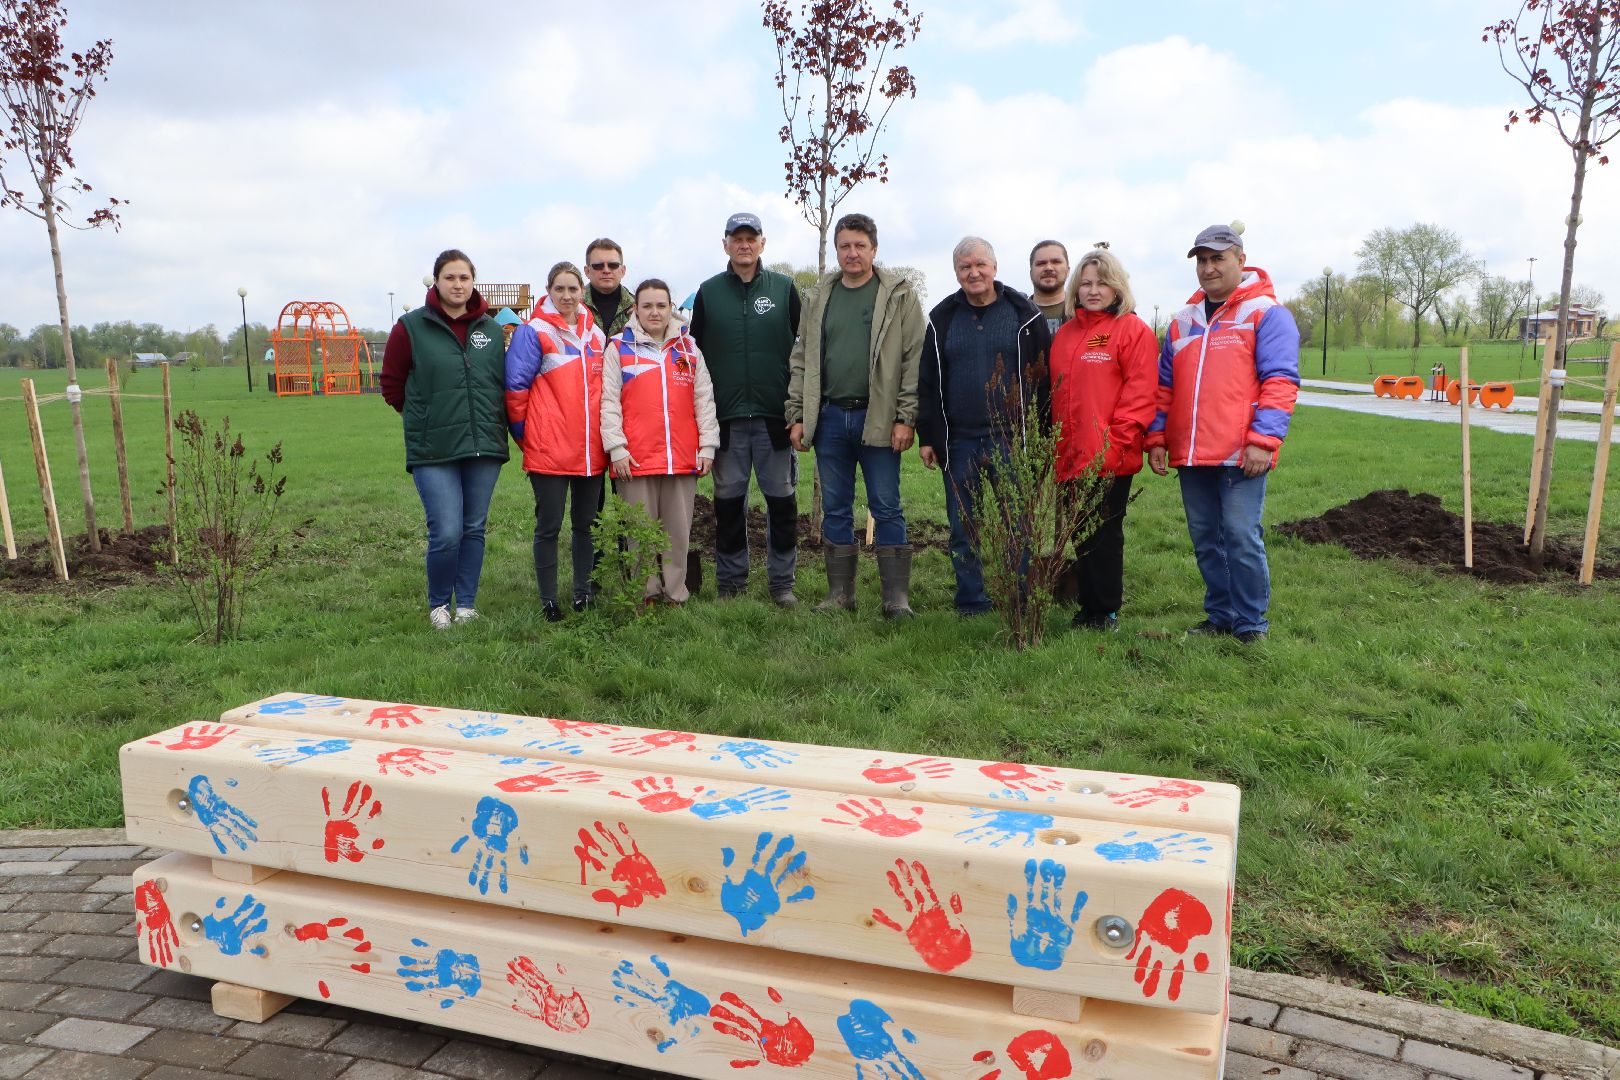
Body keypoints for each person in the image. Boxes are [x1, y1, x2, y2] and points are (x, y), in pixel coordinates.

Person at [1146, 224, 1300, 644]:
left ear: (1240, 260)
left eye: (1218, 258)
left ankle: (1251, 624)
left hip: (1241, 453)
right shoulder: (1181, 324)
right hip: (1192, 454)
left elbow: (1280, 382)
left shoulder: (1266, 314)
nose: (1208, 268)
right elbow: (1164, 389)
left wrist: (1262, 441)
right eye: (1202, 260)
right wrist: (1157, 438)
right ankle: (1220, 616)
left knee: (1240, 536)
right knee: (1206, 540)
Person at [787, 212, 925, 618]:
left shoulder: (899, 295)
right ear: (836, 251)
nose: (852, 253)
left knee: (886, 505)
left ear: (874, 250)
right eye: (844, 246)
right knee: (835, 506)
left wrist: (907, 416)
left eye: (859, 245)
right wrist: (797, 413)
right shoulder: (818, 298)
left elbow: (913, 358)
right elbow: (802, 358)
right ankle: (839, 595)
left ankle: (895, 598)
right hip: (830, 417)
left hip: (879, 418)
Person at [916, 237, 1050, 616]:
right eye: (964, 267)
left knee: (1017, 523)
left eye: (980, 265)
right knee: (963, 526)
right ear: (956, 272)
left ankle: (1020, 596)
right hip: (959, 440)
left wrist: (1039, 437)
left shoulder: (1024, 315)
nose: (973, 273)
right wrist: (929, 436)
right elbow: (927, 382)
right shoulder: (941, 318)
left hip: (1010, 438)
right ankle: (971, 599)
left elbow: (1043, 379)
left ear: (994, 267)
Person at [380, 249, 508, 629]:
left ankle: (466, 604)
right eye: (450, 277)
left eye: (464, 278)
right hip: (433, 448)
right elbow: (391, 384)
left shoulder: (492, 330)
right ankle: (439, 604)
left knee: (473, 528)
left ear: (473, 282)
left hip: (483, 444)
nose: (457, 284)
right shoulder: (411, 327)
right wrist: (423, 418)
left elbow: (501, 383)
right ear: (436, 281)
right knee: (447, 530)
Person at [689, 211, 803, 606]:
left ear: (762, 243)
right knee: (728, 506)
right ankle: (731, 583)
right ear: (725, 244)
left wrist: (798, 412)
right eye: (736, 238)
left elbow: (803, 354)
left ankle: (782, 584)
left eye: (751, 238)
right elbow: (693, 357)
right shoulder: (708, 293)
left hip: (776, 419)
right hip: (727, 422)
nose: (744, 244)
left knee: (782, 505)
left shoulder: (785, 289)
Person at [1049, 247, 1159, 632]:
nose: (1093, 290)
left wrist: (1116, 443)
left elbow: (1140, 394)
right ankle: (1088, 606)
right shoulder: (1065, 335)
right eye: (1086, 283)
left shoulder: (1132, 331)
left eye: (1103, 283)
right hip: (1069, 452)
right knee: (1079, 531)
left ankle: (1106, 609)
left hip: (1109, 453)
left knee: (1105, 533)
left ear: (1117, 288)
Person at [600, 279, 719, 606]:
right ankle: (645, 594)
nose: (655, 312)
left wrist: (708, 446)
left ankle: (675, 594)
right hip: (634, 460)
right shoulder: (618, 348)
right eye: (647, 305)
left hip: (681, 458)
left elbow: (704, 400)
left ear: (671, 308)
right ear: (635, 309)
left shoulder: (689, 348)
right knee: (638, 534)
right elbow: (608, 402)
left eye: (661, 305)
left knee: (677, 535)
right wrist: (617, 448)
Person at [504, 262, 607, 621]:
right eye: (559, 289)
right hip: (548, 449)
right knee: (549, 525)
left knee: (585, 525)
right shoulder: (533, 331)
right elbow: (516, 391)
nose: (566, 296)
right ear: (548, 291)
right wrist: (528, 440)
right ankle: (549, 599)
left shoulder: (595, 335)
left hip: (590, 450)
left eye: (573, 289)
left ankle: (582, 593)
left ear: (582, 291)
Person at [582, 238, 635, 337]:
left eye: (613, 265)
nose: (606, 270)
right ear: (587, 271)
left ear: (623, 271)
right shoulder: (572, 306)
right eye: (598, 266)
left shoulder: (639, 308)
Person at [1029, 240, 1071, 335]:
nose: (1048, 268)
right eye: (1041, 263)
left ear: (1068, 270)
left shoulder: (1084, 312)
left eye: (1056, 262)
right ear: (1031, 273)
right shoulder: (1016, 314)